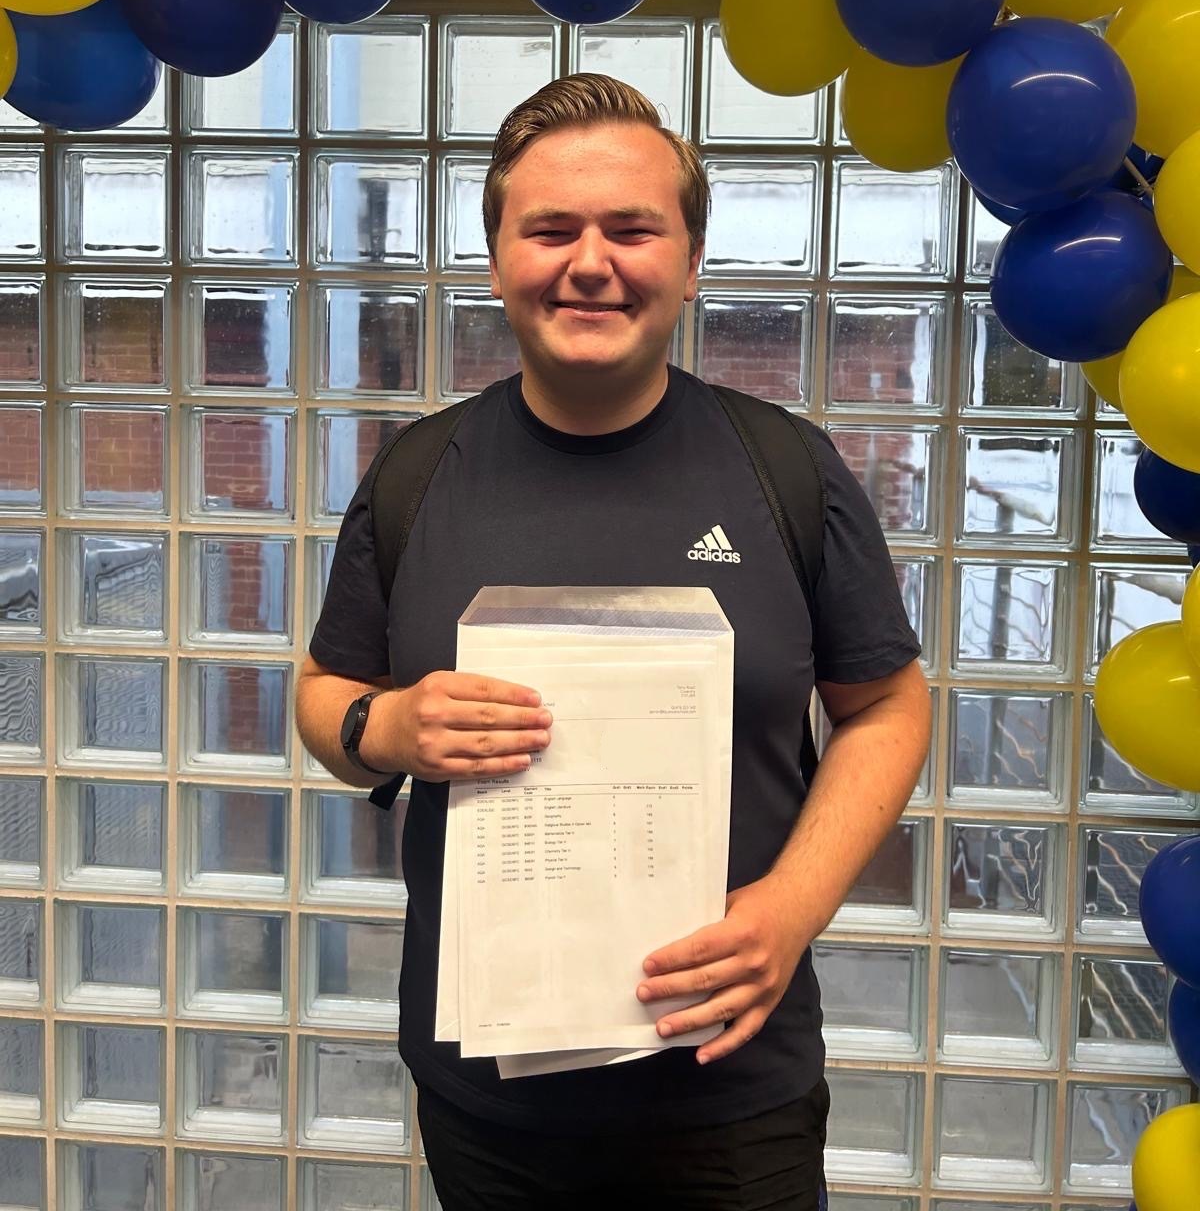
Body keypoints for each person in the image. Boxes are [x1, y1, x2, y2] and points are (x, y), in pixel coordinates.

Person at [296, 74, 931, 1211]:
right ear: (499, 261)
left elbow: (887, 706)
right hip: (491, 1097)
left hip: (732, 1089)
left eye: (632, 230)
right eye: (551, 230)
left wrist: (790, 909)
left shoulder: (788, 470)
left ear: (690, 263)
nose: (590, 262)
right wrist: (385, 726)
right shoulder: (415, 474)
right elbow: (325, 690)